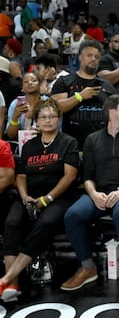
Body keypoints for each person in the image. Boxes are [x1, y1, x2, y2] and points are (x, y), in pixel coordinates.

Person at [61, 95, 119, 292]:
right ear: (111, 111)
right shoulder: (92, 139)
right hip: (100, 193)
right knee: (73, 215)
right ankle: (87, 267)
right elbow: (87, 176)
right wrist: (93, 194)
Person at [0, 99, 79, 302]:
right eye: (43, 117)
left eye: (52, 116)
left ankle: (6, 279)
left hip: (58, 197)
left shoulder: (68, 142)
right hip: (29, 196)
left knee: (45, 223)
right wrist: (25, 196)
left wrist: (48, 198)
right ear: (36, 120)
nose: (48, 120)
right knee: (12, 223)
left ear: (59, 119)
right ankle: (13, 287)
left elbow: (69, 176)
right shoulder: (29, 146)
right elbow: (21, 176)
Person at [51, 40, 116, 150]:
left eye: (97, 56)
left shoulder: (107, 85)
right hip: (71, 145)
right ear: (80, 57)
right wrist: (79, 97)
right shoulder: (64, 81)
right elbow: (55, 109)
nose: (94, 59)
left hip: (101, 145)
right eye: (89, 55)